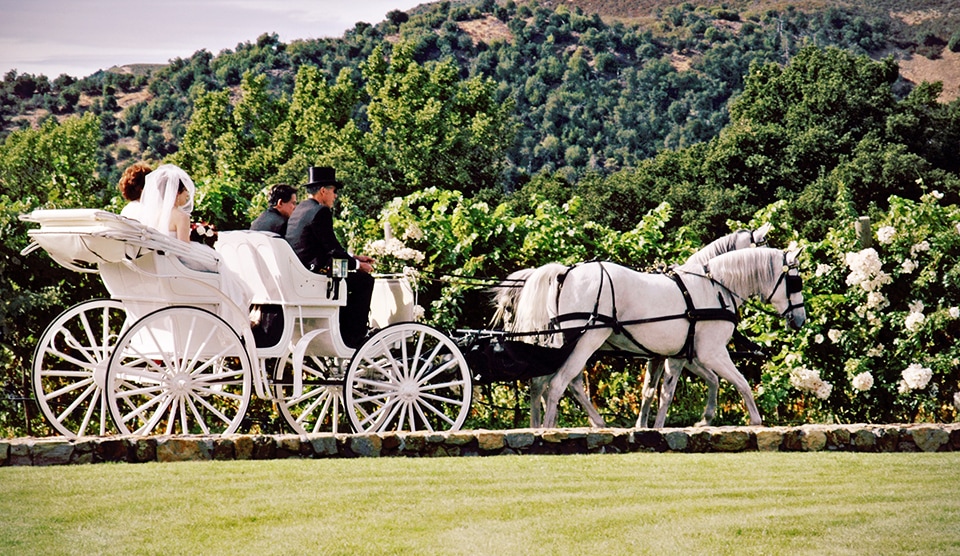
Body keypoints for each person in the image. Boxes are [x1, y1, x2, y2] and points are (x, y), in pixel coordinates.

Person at [286, 166, 375, 348]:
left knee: (352, 280)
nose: (335, 196)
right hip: (314, 275)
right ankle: (354, 336)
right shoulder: (320, 211)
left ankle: (345, 328)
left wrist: (353, 257)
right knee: (365, 281)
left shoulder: (300, 209)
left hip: (301, 271)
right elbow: (333, 249)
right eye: (334, 191)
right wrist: (358, 265)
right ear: (323, 191)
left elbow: (320, 246)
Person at [138, 164, 194, 242]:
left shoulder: (151, 213)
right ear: (177, 192)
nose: (187, 194)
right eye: (185, 190)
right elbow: (184, 250)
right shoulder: (181, 217)